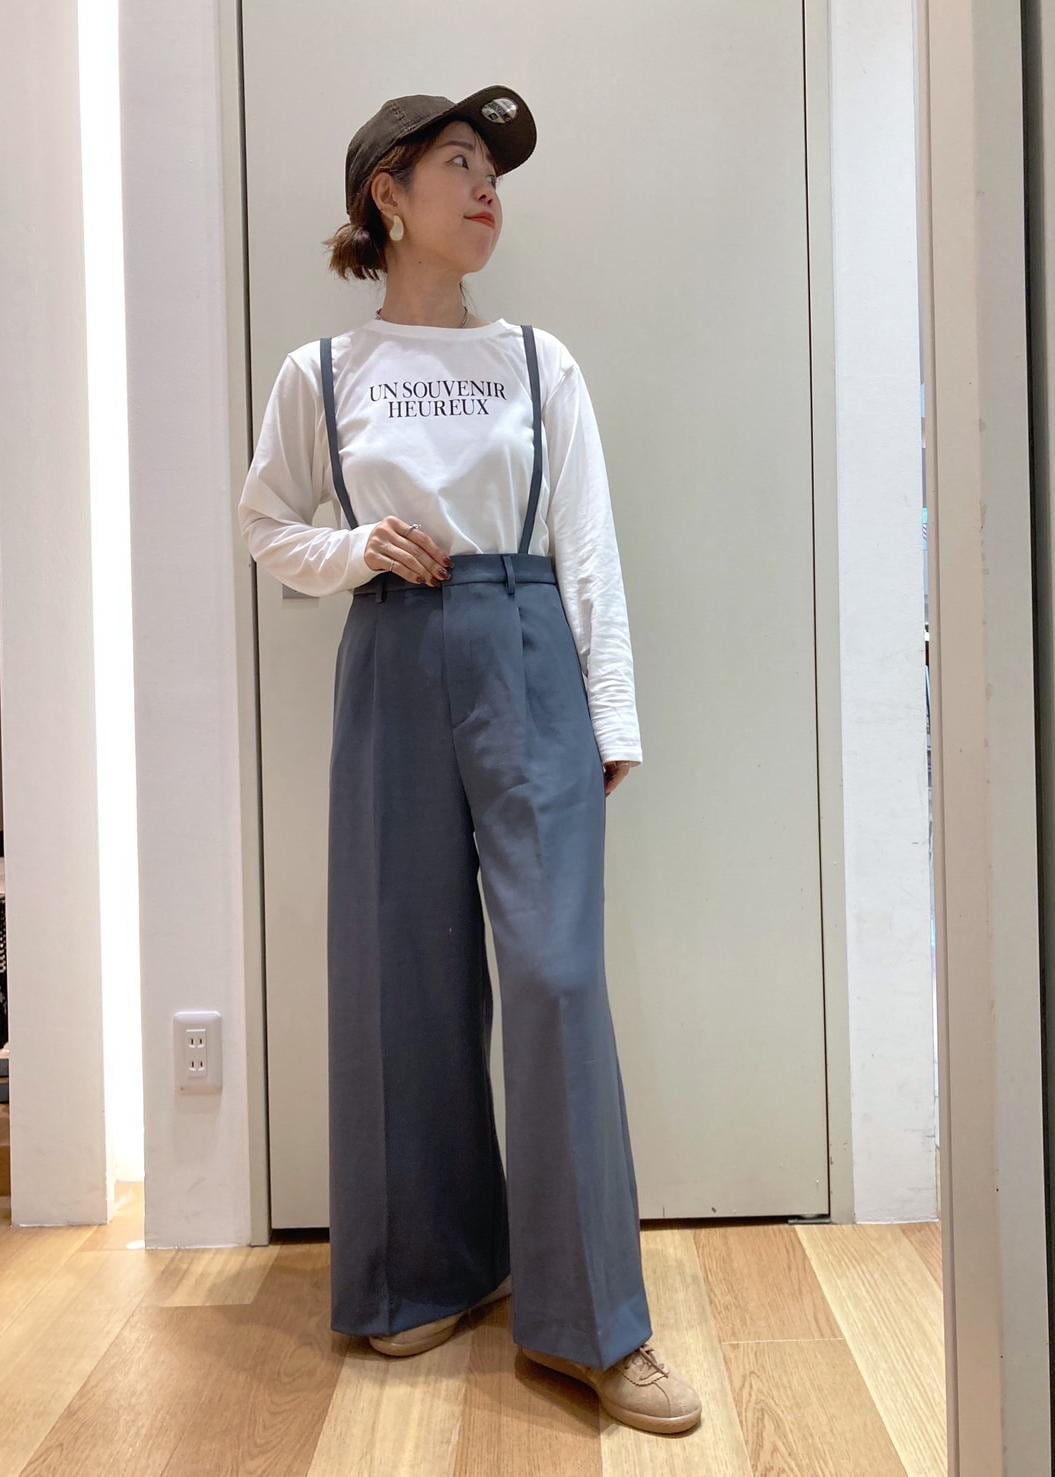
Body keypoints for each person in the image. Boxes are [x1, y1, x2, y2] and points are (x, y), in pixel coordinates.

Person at [238, 87, 702, 1437]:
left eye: (494, 168)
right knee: (403, 972)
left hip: (525, 642)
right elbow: (265, 519)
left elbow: (587, 541)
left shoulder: (539, 362)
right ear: (387, 195)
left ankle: (597, 1325)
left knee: (555, 976)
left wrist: (611, 717)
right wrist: (353, 549)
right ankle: (423, 1270)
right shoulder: (324, 370)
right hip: (392, 652)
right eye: (459, 161)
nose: (488, 184)